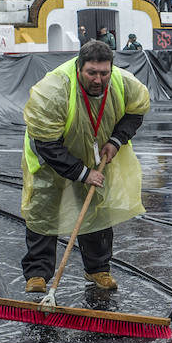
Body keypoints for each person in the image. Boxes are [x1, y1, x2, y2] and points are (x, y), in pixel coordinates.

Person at [20, 39, 151, 294]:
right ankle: (37, 275)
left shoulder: (124, 83)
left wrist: (116, 140)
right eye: (92, 73)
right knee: (43, 211)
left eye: (104, 73)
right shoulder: (54, 90)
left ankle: (97, 269)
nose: (98, 80)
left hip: (94, 154)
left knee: (97, 210)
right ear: (79, 68)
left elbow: (136, 112)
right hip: (50, 158)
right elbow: (46, 143)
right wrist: (82, 173)